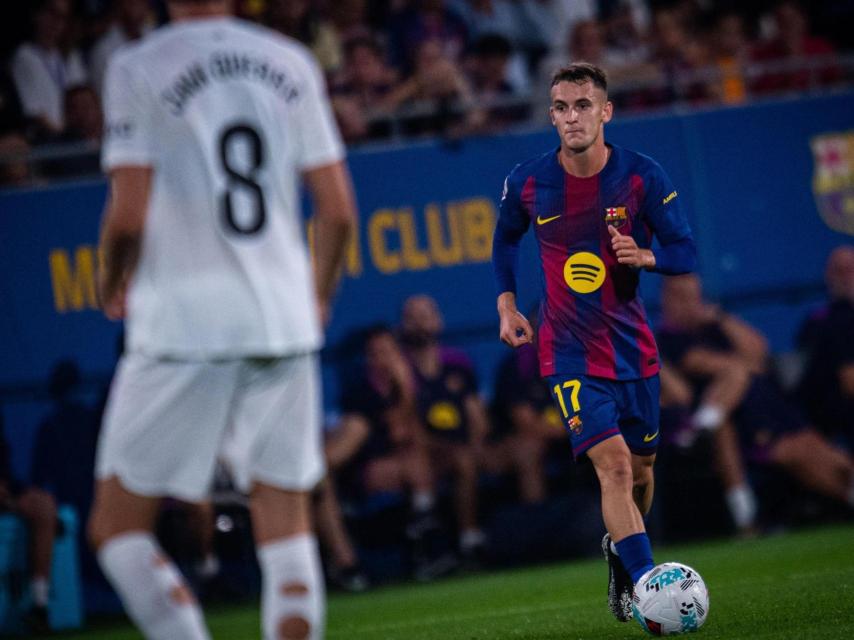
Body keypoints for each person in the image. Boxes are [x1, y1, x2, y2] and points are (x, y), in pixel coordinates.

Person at [87, 1, 357, 638]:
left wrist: (110, 280)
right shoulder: (289, 60)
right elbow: (339, 211)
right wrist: (316, 295)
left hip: (182, 323)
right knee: (285, 523)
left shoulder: (137, 65)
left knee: (117, 528)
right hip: (281, 319)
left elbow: (126, 216)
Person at [491, 62, 696, 623]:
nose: (571, 117)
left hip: (633, 352)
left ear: (606, 111)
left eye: (582, 105)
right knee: (615, 469)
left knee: (643, 471)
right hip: (569, 353)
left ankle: (620, 555)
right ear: (551, 115)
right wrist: (508, 305)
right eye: (560, 107)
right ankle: (651, 588)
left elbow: (686, 250)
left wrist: (646, 256)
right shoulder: (529, 181)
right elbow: (504, 241)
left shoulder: (641, 176)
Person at [400, 294, 489, 563]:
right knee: (419, 458)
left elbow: (476, 416)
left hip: (458, 446)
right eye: (412, 318)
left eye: (425, 316)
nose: (420, 324)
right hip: (419, 450)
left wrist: (476, 446)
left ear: (438, 321)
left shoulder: (457, 362)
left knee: (466, 460)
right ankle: (428, 536)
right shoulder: (400, 366)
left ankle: (469, 540)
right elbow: (404, 423)